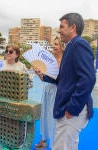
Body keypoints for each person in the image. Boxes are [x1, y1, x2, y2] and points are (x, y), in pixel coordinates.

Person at [36, 13, 95, 150]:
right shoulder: (71, 46)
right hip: (70, 110)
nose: (58, 30)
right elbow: (64, 79)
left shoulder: (79, 45)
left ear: (72, 27)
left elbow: (88, 79)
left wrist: (71, 109)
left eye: (62, 26)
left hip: (73, 111)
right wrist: (43, 77)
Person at [0, 44, 29, 150]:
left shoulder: (22, 67)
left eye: (10, 52)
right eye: (6, 51)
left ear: (17, 54)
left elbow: (30, 84)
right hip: (0, 99)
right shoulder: (0, 64)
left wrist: (20, 86)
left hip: (15, 101)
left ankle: (13, 145)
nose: (7, 53)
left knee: (13, 125)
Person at [34, 36, 64, 149]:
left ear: (62, 46)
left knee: (53, 118)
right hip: (47, 90)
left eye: (56, 44)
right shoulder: (49, 59)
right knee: (44, 115)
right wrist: (39, 73)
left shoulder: (65, 61)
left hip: (57, 92)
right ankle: (44, 140)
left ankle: (54, 144)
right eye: (53, 43)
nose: (53, 46)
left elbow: (62, 79)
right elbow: (44, 79)